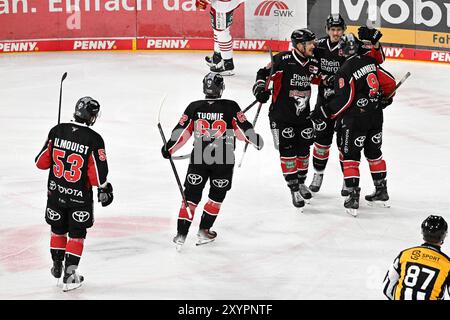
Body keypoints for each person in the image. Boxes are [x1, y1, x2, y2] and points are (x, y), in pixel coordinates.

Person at [161, 72, 263, 249]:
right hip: (223, 159)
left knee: (190, 197)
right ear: (221, 88)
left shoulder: (194, 107)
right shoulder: (231, 107)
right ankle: (204, 231)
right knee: (216, 198)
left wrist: (169, 148)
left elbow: (181, 134)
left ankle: (181, 234)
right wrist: (256, 140)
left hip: (200, 157)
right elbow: (243, 131)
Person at [310, 33, 396, 217]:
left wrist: (325, 112)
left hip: (355, 120)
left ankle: (352, 195)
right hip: (375, 117)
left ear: (344, 50)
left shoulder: (345, 69)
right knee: (374, 153)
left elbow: (345, 99)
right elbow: (390, 82)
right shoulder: (369, 62)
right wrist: (385, 99)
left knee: (350, 154)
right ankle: (381, 190)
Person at [35, 97, 114, 291]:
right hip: (79, 198)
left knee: (57, 229)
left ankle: (57, 264)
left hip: (55, 194)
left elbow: (40, 163)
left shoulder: (57, 130)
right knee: (77, 234)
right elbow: (97, 177)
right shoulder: (94, 139)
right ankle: (69, 275)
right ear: (92, 116)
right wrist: (105, 188)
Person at [252, 29, 319, 210]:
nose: (314, 45)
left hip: (303, 116)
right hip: (282, 117)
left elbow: (320, 79)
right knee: (288, 152)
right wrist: (260, 89)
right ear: (299, 46)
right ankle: (294, 188)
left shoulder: (313, 61)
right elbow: (263, 74)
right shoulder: (282, 60)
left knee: (304, 152)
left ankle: (302, 181)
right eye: (310, 43)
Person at [383, 215, 450, 300]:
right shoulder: (447, 264)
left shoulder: (405, 255)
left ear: (422, 232)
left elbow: (387, 289)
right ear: (444, 236)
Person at [196, 0, 246, 75]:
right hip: (223, 3)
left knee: (222, 32)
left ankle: (227, 64)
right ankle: (218, 57)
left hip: (223, 3)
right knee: (218, 29)